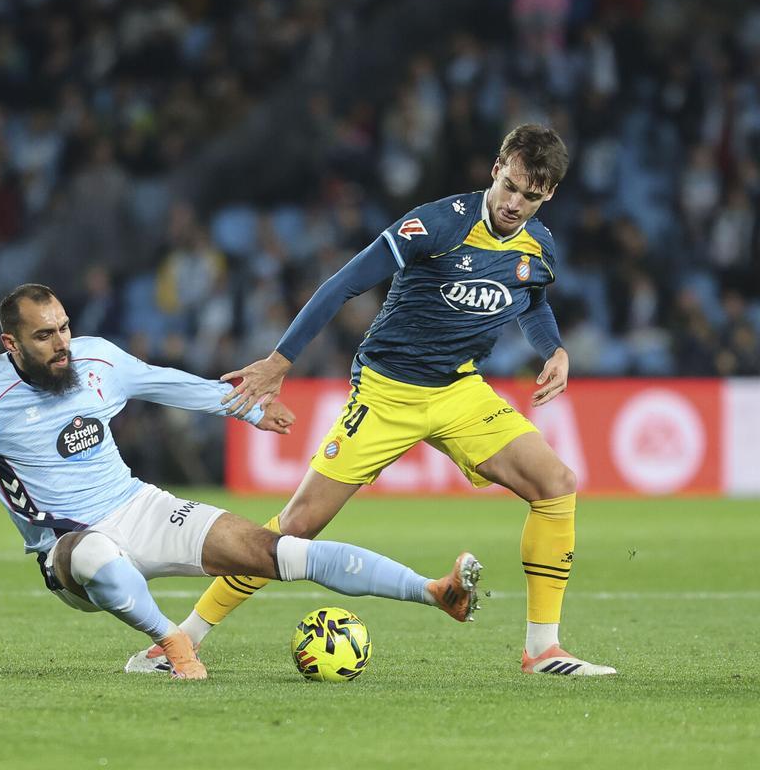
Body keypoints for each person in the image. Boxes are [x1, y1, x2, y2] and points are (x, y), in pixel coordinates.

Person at [128, 124, 615, 677]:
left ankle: (543, 650)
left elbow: (531, 298)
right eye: (511, 186)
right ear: (497, 167)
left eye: (532, 196)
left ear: (549, 195)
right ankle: (178, 640)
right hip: (387, 392)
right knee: (296, 528)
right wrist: (279, 362)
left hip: (460, 390)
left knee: (557, 483)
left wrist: (554, 350)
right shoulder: (437, 223)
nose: (515, 203)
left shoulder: (538, 245)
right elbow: (342, 283)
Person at [0, 284, 483, 678]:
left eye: (64, 327)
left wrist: (248, 407)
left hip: (138, 507)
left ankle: (433, 592)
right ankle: (172, 644)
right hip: (66, 547)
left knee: (273, 551)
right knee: (97, 554)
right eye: (44, 336)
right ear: (10, 344)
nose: (61, 344)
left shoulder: (97, 359)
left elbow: (168, 383)